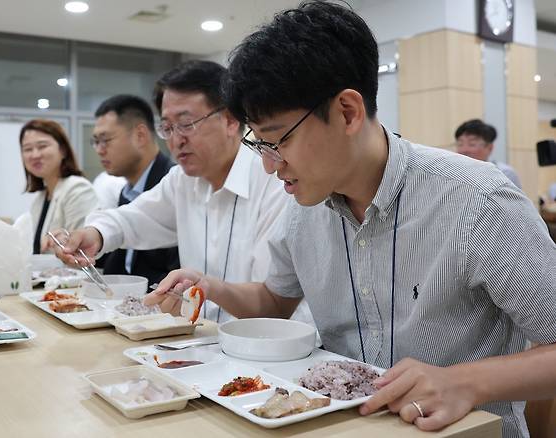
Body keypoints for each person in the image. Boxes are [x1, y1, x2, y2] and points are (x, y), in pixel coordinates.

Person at [143, 2, 556, 437]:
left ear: (347, 112)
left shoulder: (477, 202)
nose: (270, 165)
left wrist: (465, 382)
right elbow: (274, 300)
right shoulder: (303, 209)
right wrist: (211, 287)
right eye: (259, 144)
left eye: (278, 140)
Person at [47, 60, 294, 324]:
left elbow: (273, 300)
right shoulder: (182, 180)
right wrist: (94, 234)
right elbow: (133, 219)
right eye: (167, 127)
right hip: (199, 342)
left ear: (230, 121)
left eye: (186, 124)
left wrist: (209, 287)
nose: (176, 140)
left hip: (269, 349)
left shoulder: (274, 179)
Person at [0, 119, 98, 254]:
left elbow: (80, 250)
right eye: (28, 149)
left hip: (73, 274)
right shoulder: (41, 197)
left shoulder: (78, 189)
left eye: (42, 146)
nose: (35, 155)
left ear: (63, 150)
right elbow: (27, 242)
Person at [91, 94, 179, 284]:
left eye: (106, 140)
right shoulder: (127, 191)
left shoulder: (173, 184)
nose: (99, 150)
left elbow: (177, 274)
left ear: (140, 135)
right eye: (96, 141)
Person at [455, 119, 522, 189]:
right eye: (460, 144)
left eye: (472, 144)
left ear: (489, 148)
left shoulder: (504, 173)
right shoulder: (453, 173)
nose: (464, 150)